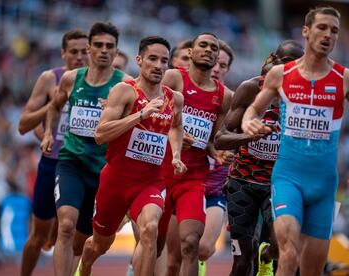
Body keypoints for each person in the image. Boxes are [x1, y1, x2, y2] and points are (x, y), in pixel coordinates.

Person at [241, 7, 349, 275]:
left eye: (334, 30)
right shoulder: (281, 74)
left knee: (312, 269)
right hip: (288, 177)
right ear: (306, 31)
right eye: (322, 28)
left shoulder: (345, 78)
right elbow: (252, 109)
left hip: (324, 186)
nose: (328, 35)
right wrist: (248, 122)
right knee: (288, 253)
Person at [79, 36, 186, 276]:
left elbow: (177, 126)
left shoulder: (174, 99)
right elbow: (100, 134)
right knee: (100, 245)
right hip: (115, 182)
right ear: (139, 60)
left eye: (164, 61)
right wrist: (140, 116)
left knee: (150, 229)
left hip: (150, 182)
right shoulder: (124, 92)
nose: (158, 65)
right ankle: (83, 267)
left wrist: (176, 154)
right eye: (152, 59)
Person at [40, 21, 131, 276]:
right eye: (98, 45)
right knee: (65, 226)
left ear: (116, 51)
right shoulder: (71, 79)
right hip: (71, 163)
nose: (104, 50)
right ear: (89, 48)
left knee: (82, 241)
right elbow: (54, 106)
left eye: (109, 46)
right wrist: (48, 133)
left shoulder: (126, 85)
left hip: (103, 171)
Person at [214, 40, 304, 276]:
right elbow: (221, 139)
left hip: (278, 183)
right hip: (242, 182)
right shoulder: (251, 89)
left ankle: (266, 256)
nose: (290, 70)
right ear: (274, 60)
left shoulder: (304, 97)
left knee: (279, 246)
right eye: (286, 64)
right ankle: (257, 256)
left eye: (297, 65)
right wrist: (250, 135)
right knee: (242, 261)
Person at [158, 32, 233, 276]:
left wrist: (217, 152)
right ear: (190, 52)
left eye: (214, 47)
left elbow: (212, 140)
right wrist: (175, 131)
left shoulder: (224, 97)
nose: (209, 50)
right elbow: (150, 113)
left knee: (191, 244)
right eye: (203, 45)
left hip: (193, 177)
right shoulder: (173, 78)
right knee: (158, 249)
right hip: (160, 172)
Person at [18, 29, 88, 276]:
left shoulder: (98, 83)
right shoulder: (50, 78)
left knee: (71, 233)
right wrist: (55, 103)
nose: (79, 57)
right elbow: (24, 124)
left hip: (82, 166)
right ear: (63, 53)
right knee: (40, 236)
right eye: (74, 52)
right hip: (53, 162)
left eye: (84, 51)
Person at [197, 39, 234, 275]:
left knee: (204, 248)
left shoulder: (233, 102)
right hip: (187, 180)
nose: (218, 68)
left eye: (224, 65)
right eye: (216, 63)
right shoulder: (189, 94)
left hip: (215, 189)